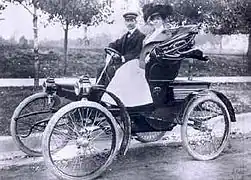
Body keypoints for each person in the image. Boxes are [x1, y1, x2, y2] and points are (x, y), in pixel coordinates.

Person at [101, 4, 175, 107]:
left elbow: (163, 48)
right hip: (143, 62)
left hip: (154, 63)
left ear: (162, 20)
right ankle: (112, 99)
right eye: (153, 19)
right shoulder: (151, 33)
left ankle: (116, 101)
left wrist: (151, 55)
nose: (155, 21)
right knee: (124, 70)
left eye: (158, 19)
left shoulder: (165, 34)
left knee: (125, 70)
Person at [97, 11, 145, 87]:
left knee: (111, 70)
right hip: (123, 62)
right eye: (127, 21)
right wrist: (110, 49)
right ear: (125, 23)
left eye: (131, 21)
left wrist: (123, 58)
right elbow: (115, 44)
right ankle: (98, 91)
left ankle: (109, 92)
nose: (129, 23)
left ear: (135, 22)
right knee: (101, 69)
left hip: (133, 63)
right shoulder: (125, 36)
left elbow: (136, 52)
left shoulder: (141, 36)